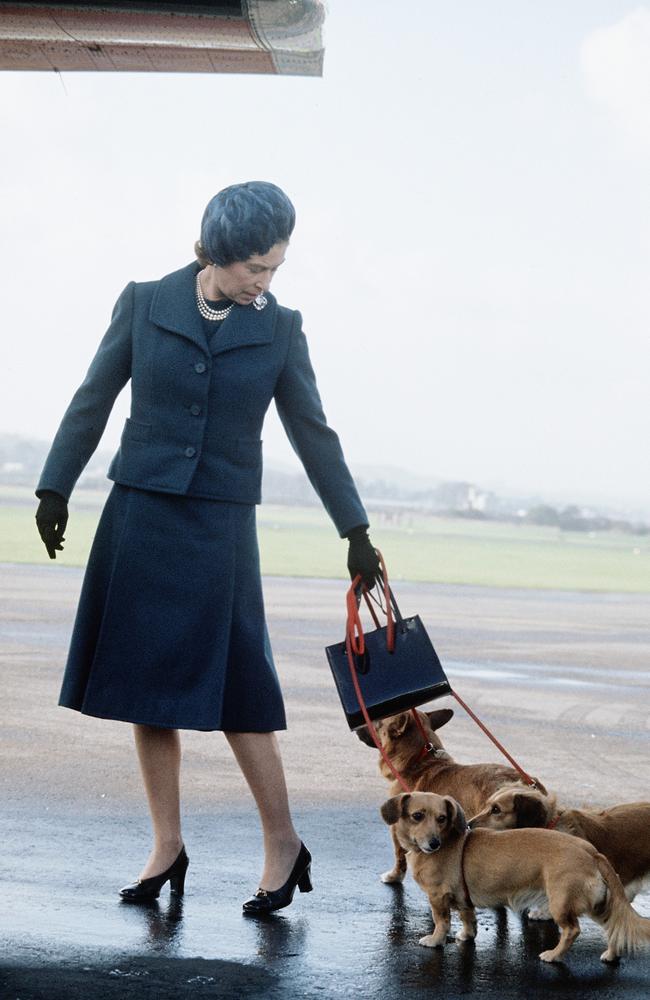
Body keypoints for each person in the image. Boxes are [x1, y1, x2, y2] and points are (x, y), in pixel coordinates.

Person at [35, 181, 380, 915]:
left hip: (220, 527)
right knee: (143, 688)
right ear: (215, 252)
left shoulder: (281, 329)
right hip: (141, 513)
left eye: (275, 269)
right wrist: (53, 486)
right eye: (256, 267)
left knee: (239, 692)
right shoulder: (144, 301)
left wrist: (355, 529)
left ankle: (283, 843)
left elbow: (312, 432)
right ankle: (167, 846)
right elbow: (92, 397)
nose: (265, 281)